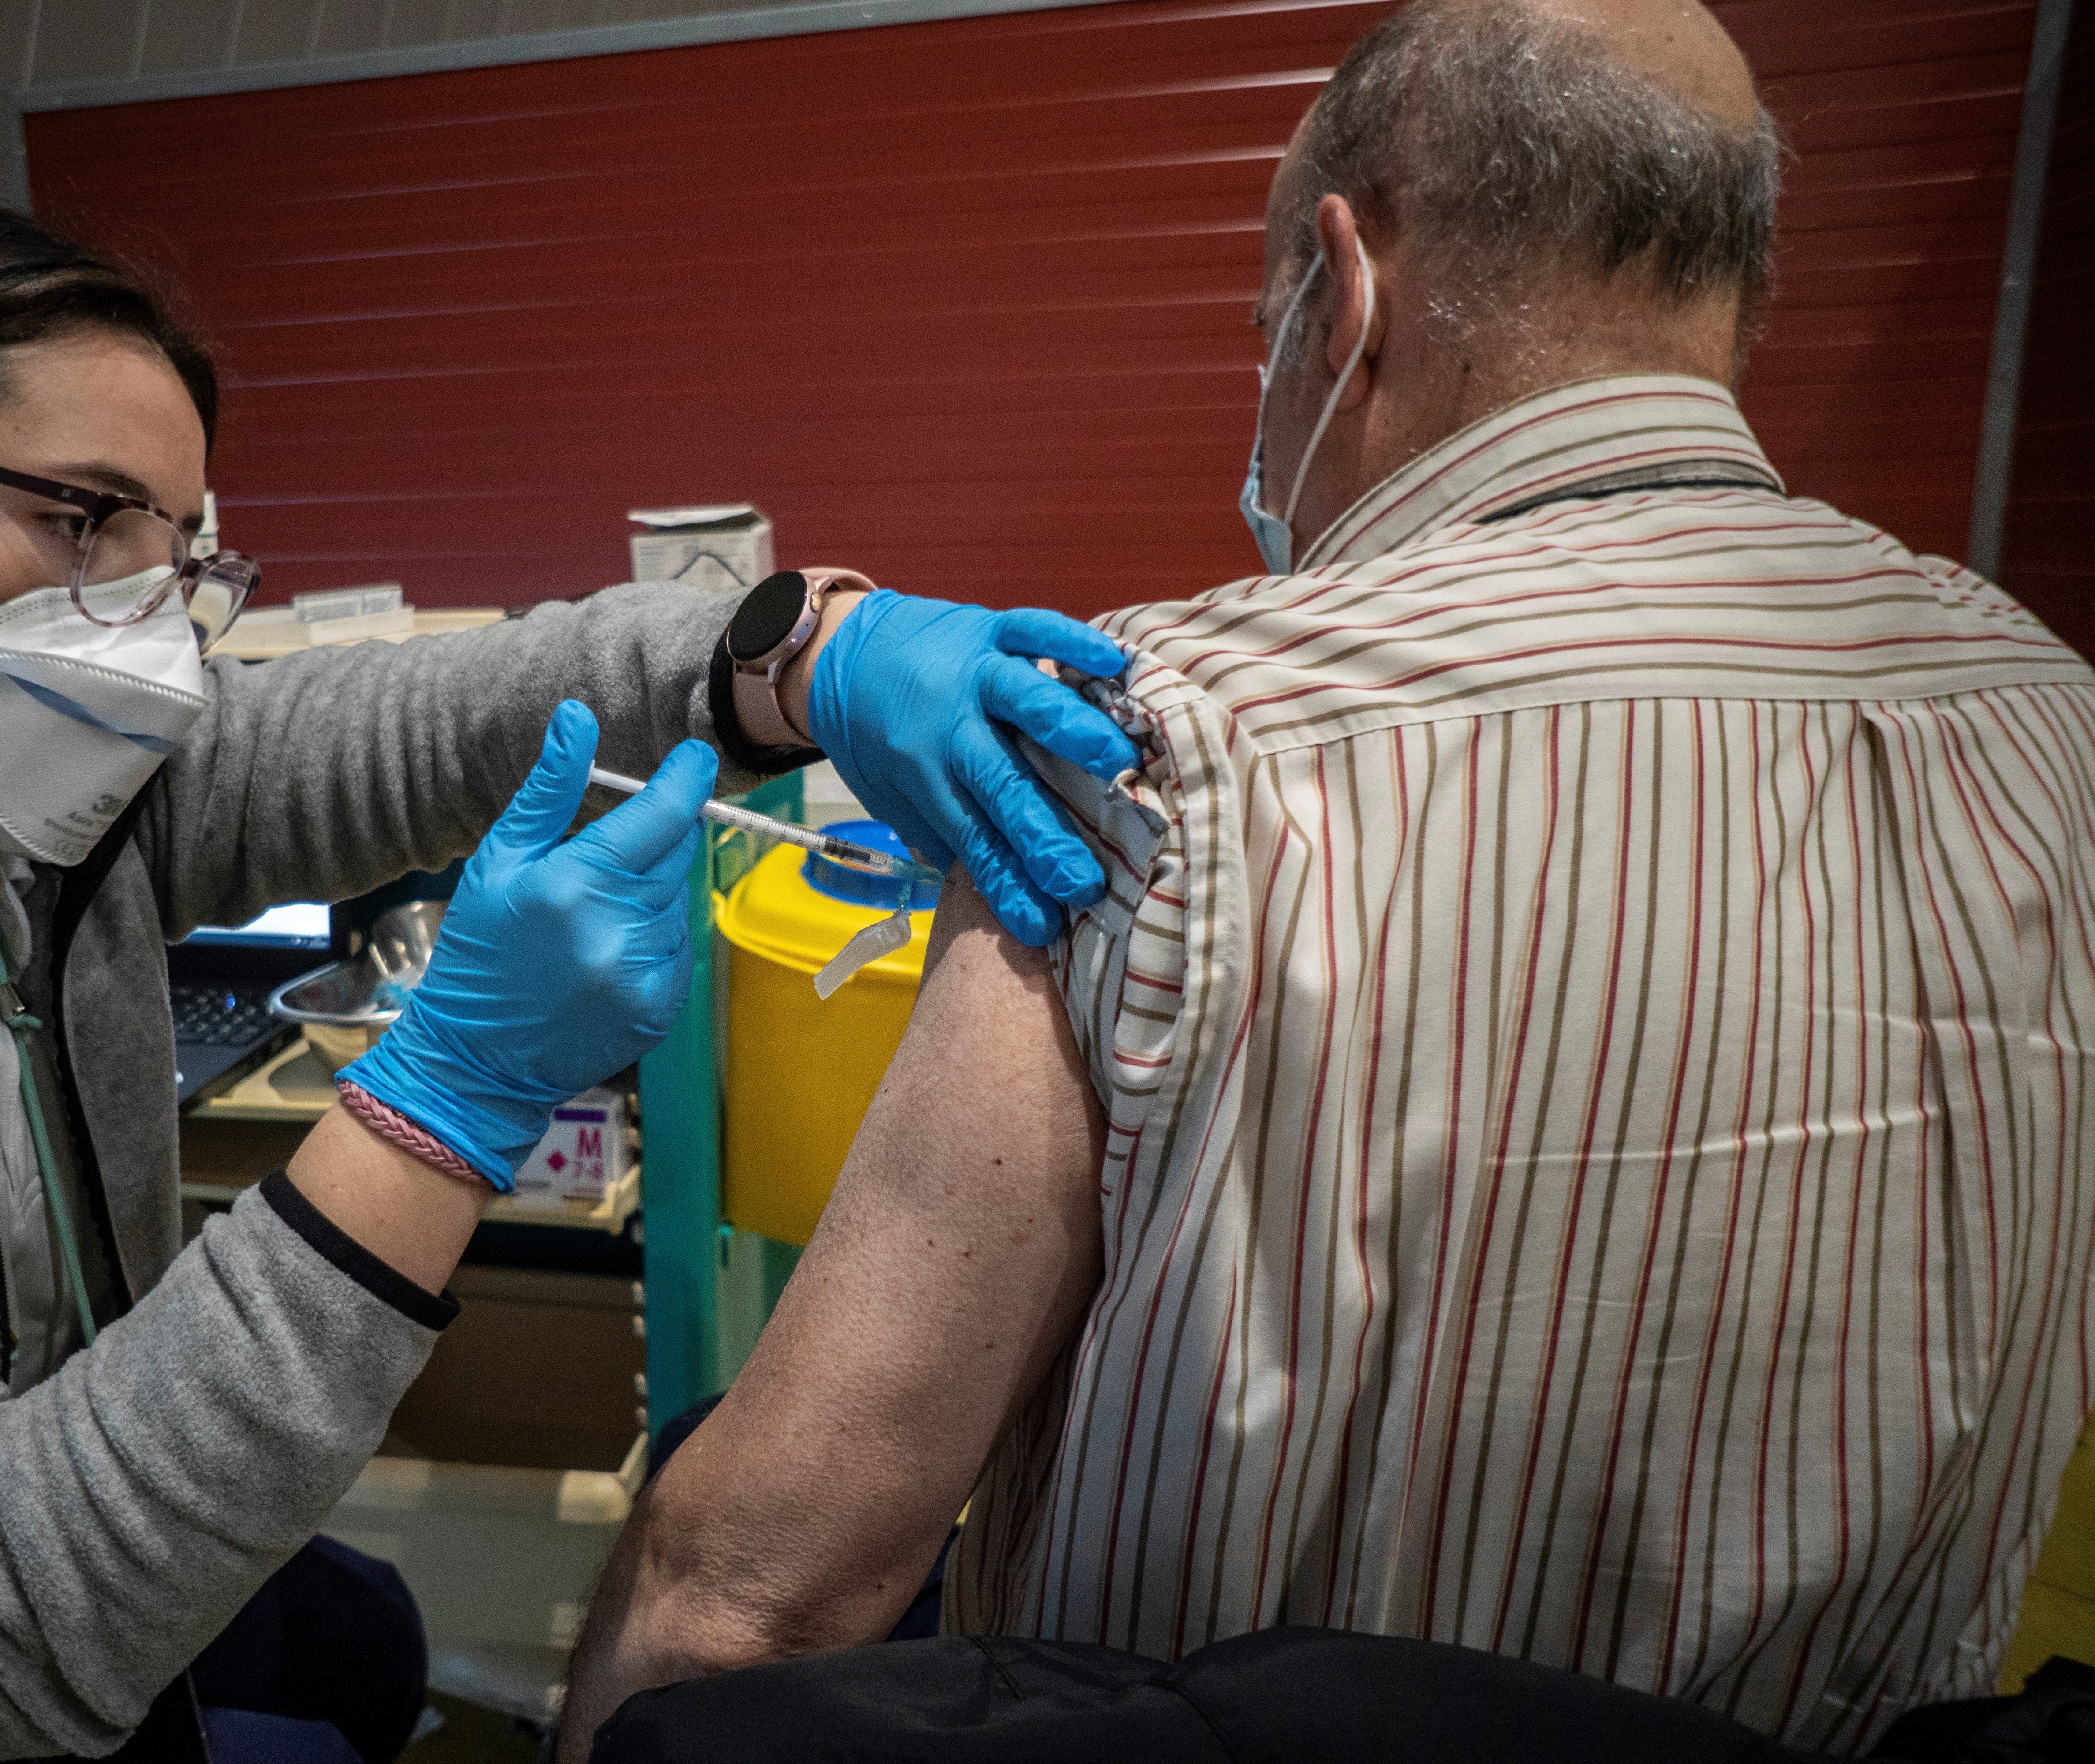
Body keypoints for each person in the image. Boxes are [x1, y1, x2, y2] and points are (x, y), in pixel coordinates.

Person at [561, 0, 2095, 1755]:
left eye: (1261, 330)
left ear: (1343, 293)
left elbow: (747, 1591)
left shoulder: (1172, 741)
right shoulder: (2053, 713)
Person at [0, 177, 1138, 1761]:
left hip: (80, 1628)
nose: (147, 642)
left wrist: (800, 653)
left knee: (353, 1641)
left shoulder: (9, 797)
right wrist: (442, 1101)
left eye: (175, 557)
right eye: (80, 521)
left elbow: (434, 716)